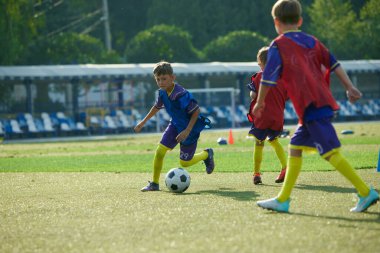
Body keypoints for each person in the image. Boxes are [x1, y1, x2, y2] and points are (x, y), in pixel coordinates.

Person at [253, 0, 379, 212]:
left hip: (313, 106)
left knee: (330, 153)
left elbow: (267, 77)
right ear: (300, 20)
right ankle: (283, 199)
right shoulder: (312, 41)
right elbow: (334, 63)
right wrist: (350, 86)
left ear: (276, 22)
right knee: (294, 147)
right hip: (318, 103)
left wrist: (260, 101)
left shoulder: (279, 45)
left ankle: (366, 192)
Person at [134, 61, 214, 192]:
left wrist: (187, 131)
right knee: (160, 151)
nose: (161, 82)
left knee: (185, 163)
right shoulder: (161, 93)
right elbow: (156, 107)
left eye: (164, 79)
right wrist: (142, 122)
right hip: (174, 125)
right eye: (158, 79)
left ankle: (206, 154)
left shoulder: (181, 94)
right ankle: (154, 183)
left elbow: (196, 112)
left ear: (172, 77)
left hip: (190, 130)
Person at [247, 46, 287, 185]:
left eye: (259, 64)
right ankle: (285, 168)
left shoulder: (258, 77)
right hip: (277, 115)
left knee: (259, 143)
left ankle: (257, 173)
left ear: (263, 63)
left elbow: (253, 95)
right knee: (274, 140)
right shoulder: (282, 78)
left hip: (262, 115)